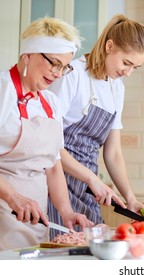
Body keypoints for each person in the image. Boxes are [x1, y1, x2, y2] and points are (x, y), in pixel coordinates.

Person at [48, 14, 144, 237]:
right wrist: (92, 179)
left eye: (136, 67)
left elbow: (113, 152)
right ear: (109, 45)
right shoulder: (73, 74)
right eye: (126, 63)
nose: (128, 72)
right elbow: (50, 144)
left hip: (87, 189)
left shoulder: (117, 87)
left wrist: (129, 197)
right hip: (54, 184)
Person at [0, 17, 94, 250]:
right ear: (28, 55)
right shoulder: (3, 92)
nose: (59, 74)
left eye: (65, 67)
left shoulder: (50, 103)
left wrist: (66, 212)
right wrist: (12, 196)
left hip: (34, 219)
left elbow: (52, 165)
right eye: (55, 63)